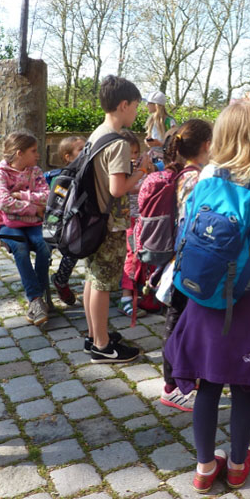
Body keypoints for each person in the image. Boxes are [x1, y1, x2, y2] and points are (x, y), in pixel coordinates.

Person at [164, 102, 250, 493]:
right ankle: (238, 465)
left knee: (207, 384)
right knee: (243, 385)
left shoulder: (206, 176)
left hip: (204, 296)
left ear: (220, 136)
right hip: (247, 299)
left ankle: (205, 468)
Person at [83, 75, 153, 363]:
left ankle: (94, 335)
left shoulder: (97, 134)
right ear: (124, 105)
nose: (137, 112)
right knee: (102, 283)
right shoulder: (118, 142)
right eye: (135, 106)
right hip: (109, 223)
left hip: (92, 219)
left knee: (92, 279)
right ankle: (102, 347)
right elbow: (117, 188)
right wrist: (142, 171)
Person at [157, 118, 212, 412]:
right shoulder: (198, 179)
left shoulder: (185, 174)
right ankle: (173, 385)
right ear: (207, 145)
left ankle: (182, 378)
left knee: (179, 319)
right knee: (178, 322)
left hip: (181, 257)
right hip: (190, 259)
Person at [0, 131, 52, 326]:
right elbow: (3, 202)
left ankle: (38, 298)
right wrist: (34, 208)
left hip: (34, 223)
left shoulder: (35, 171)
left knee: (44, 245)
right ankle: (36, 299)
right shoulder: (0, 173)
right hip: (7, 224)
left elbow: (47, 196)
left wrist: (22, 196)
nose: (38, 155)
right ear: (19, 153)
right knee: (20, 247)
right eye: (33, 151)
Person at [46, 135, 86, 306]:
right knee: (73, 250)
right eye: (81, 150)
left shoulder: (88, 173)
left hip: (83, 224)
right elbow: (56, 207)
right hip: (65, 226)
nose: (86, 152)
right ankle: (61, 281)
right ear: (68, 157)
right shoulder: (64, 178)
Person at [119, 129, 151, 318]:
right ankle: (125, 298)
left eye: (136, 152)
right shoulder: (121, 171)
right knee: (132, 255)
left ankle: (138, 290)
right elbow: (128, 189)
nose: (133, 157)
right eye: (129, 153)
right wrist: (143, 173)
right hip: (128, 220)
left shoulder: (138, 169)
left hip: (141, 219)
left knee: (140, 255)